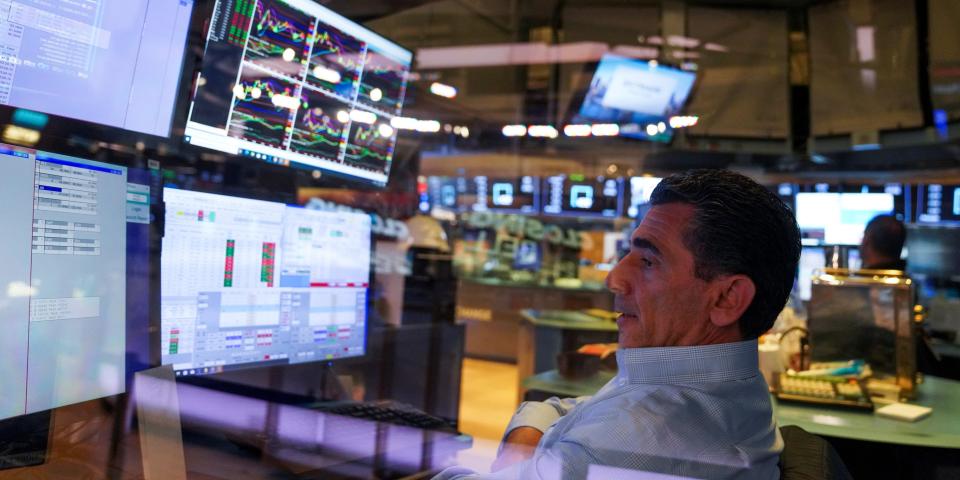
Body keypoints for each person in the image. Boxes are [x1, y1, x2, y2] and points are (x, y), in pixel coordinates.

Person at [435, 169, 801, 479]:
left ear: (727, 299)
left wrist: (513, 459)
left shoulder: (635, 438)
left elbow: (591, 426)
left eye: (648, 261)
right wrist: (526, 451)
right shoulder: (721, 387)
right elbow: (569, 408)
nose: (614, 278)